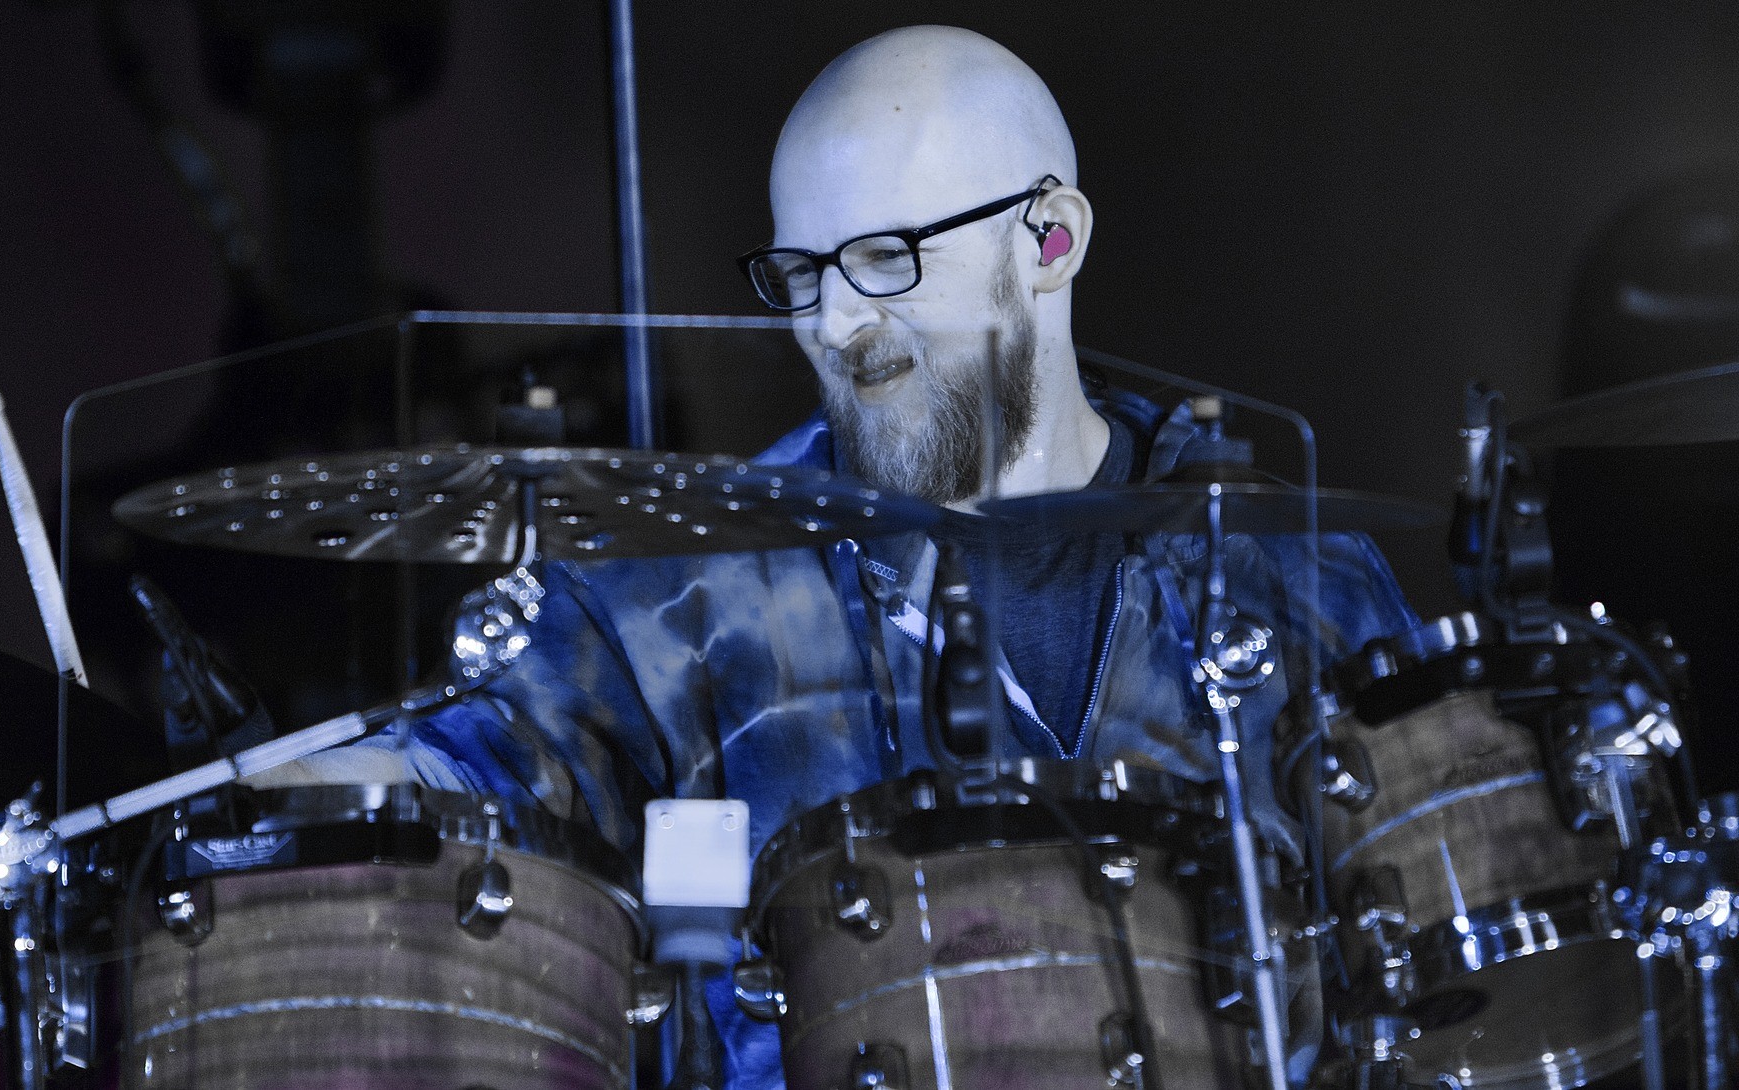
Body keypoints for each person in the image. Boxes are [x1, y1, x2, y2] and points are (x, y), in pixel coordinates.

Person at [370, 24, 1416, 1087]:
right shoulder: (692, 587)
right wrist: (299, 788)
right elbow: (452, 784)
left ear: (1049, 241)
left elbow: (1426, 949)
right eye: (800, 272)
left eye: (885, 258)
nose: (833, 322)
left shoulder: (1285, 567)